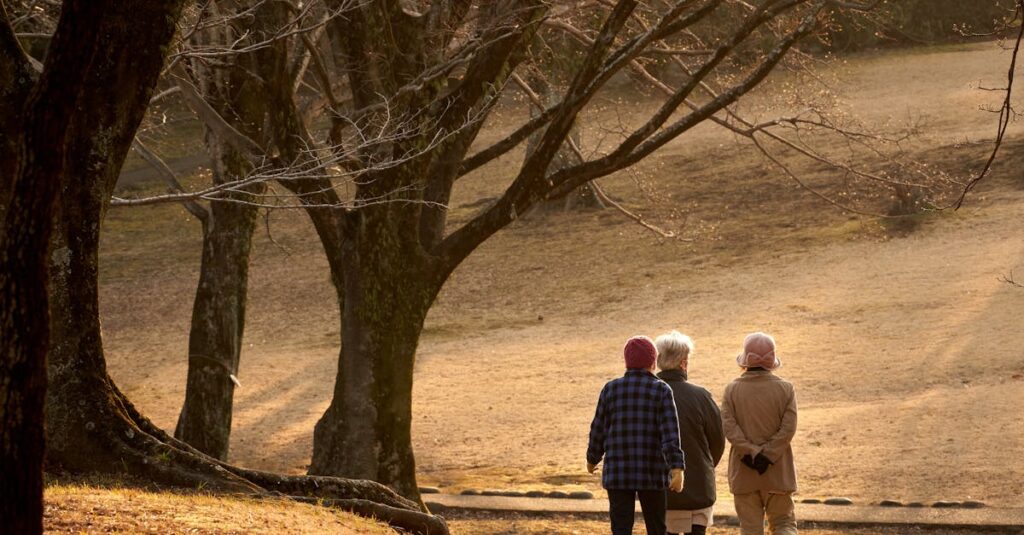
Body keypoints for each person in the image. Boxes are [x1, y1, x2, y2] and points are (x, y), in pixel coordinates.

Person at [587, 335, 686, 535]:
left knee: (621, 527)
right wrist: (677, 468)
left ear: (627, 362)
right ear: (653, 362)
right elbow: (670, 434)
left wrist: (592, 458)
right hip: (651, 472)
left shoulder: (610, 389)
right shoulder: (661, 390)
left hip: (618, 472)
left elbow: (598, 428)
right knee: (656, 526)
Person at [721, 332, 798, 535]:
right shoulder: (786, 389)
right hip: (778, 473)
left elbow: (729, 428)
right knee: (784, 524)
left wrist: (751, 453)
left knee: (750, 529)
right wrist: (768, 455)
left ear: (745, 359)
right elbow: (788, 429)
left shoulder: (731, 390)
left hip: (744, 472)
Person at [655, 331, 725, 535]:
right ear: (683, 363)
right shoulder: (701, 396)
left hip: (660, 487)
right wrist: (705, 466)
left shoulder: (649, 394)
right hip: (699, 489)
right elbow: (717, 442)